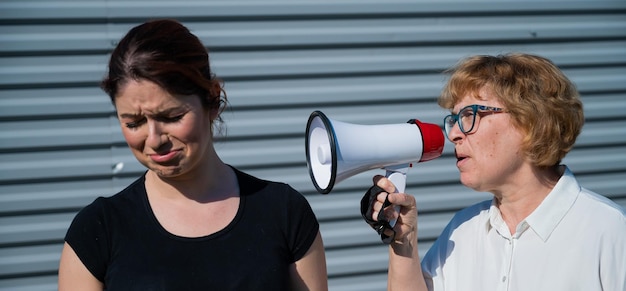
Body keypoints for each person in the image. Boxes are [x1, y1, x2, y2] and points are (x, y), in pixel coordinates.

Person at [58, 19, 328, 291]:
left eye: (172, 116)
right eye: (133, 123)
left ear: (212, 99)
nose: (154, 140)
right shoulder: (97, 231)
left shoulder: (284, 213)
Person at [365, 53, 626, 290]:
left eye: (470, 115)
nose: (454, 133)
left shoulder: (609, 231)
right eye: (454, 120)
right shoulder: (461, 231)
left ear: (530, 122)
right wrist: (403, 241)